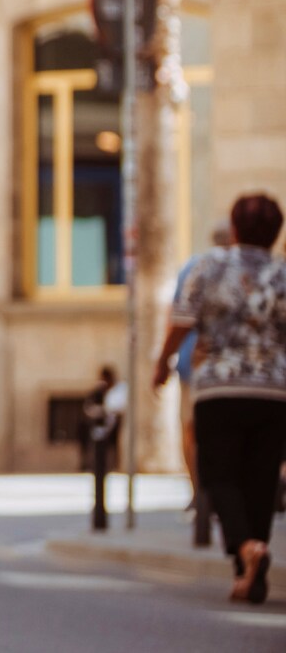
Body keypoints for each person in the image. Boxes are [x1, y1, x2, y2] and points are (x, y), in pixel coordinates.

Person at [154, 190, 286, 604]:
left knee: (220, 474)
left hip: (220, 389)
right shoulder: (283, 274)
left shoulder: (208, 266)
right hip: (274, 390)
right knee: (262, 478)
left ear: (234, 227)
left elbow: (182, 320)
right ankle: (249, 564)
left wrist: (163, 362)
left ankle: (245, 550)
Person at [174, 223, 237, 501]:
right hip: (231, 368)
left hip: (194, 364)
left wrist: (163, 359)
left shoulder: (194, 268)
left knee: (192, 429)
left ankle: (199, 493)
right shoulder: (247, 271)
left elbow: (177, 317)